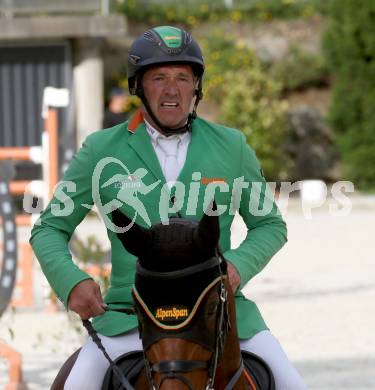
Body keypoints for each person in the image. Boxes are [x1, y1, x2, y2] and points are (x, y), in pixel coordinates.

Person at [30, 26, 306, 389]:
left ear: (196, 87)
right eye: (159, 77)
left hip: (216, 315)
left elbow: (270, 224)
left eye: (182, 77)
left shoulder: (232, 147)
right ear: (139, 87)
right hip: (132, 318)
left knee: (293, 385)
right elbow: (49, 228)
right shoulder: (101, 150)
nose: (171, 89)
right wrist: (72, 282)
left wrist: (236, 267)